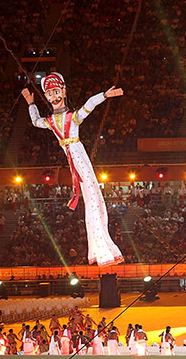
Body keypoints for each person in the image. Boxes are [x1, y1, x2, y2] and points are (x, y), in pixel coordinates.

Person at [22, 74, 123, 266]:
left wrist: (104, 95)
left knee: (93, 196)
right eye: (49, 94)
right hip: (73, 157)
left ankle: (103, 247)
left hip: (78, 154)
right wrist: (30, 104)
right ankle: (101, 248)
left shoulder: (72, 117)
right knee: (92, 198)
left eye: (56, 92)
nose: (53, 97)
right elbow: (36, 121)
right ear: (46, 96)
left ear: (64, 92)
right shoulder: (51, 121)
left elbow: (89, 105)